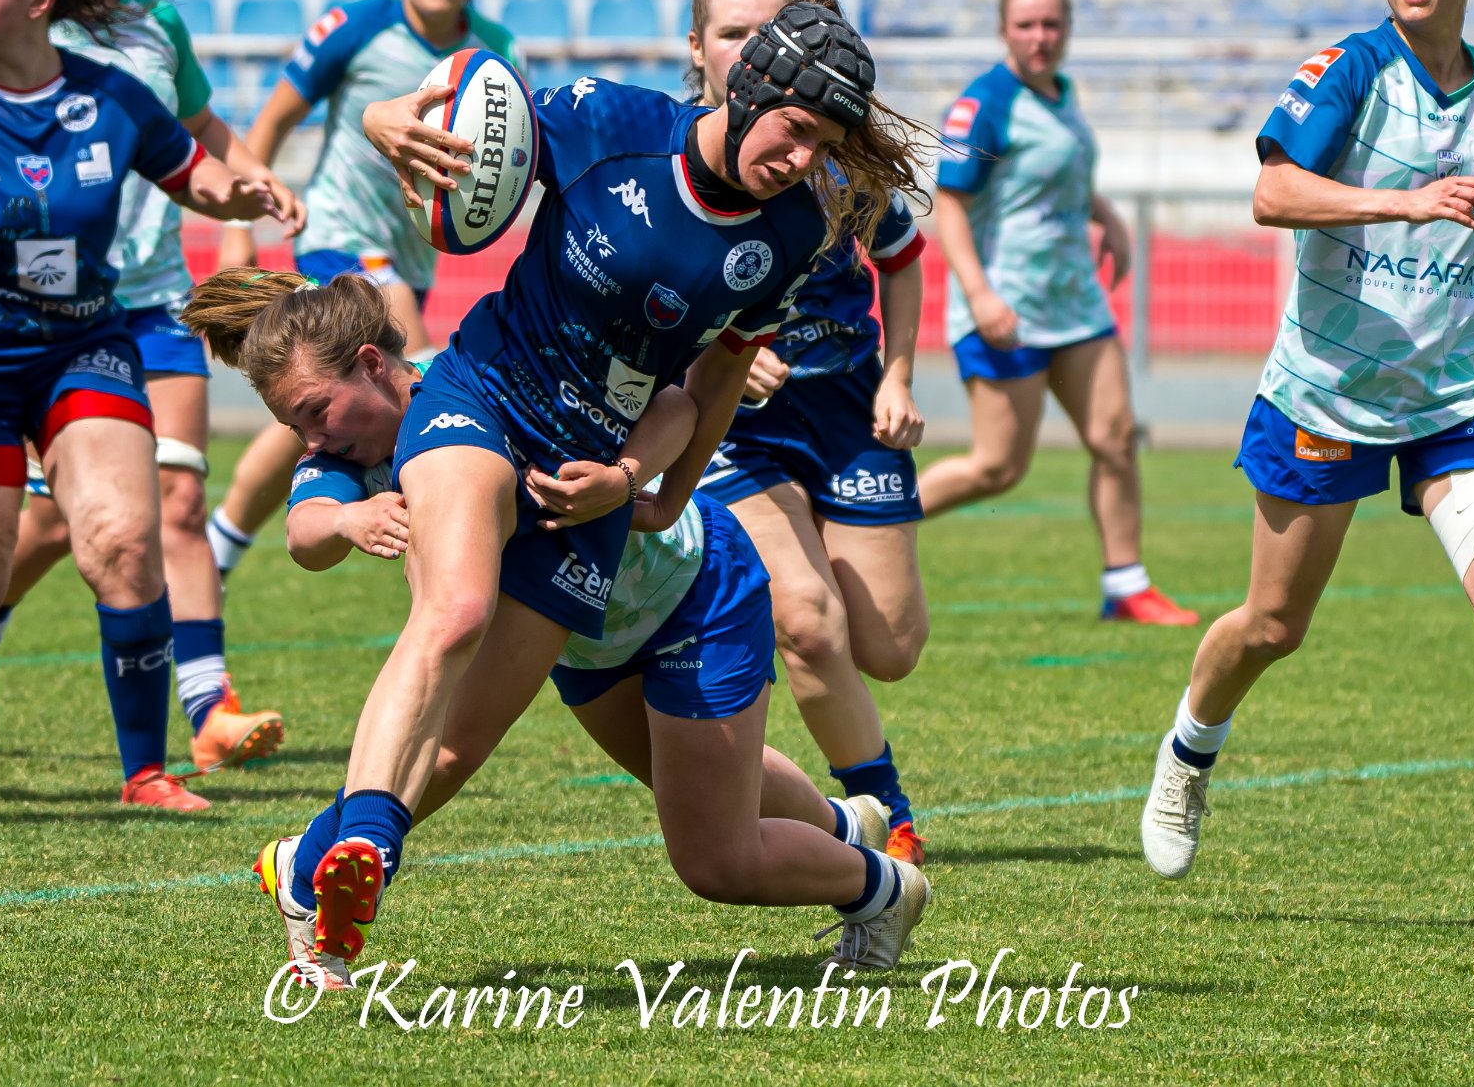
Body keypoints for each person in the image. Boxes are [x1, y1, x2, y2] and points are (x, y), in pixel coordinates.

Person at [269, 0, 936, 965]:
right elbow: (459, 126)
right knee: (451, 610)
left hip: (586, 482)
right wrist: (382, 119)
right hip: (484, 395)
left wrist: (641, 481)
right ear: (748, 88)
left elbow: (708, 375)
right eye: (795, 129)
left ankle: (862, 862)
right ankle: (356, 849)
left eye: (823, 143)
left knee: (470, 747)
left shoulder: (792, 231)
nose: (800, 158)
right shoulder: (606, 121)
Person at [175, 270, 925, 981]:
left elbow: (676, 406)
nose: (310, 439)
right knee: (698, 784)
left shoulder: (481, 376)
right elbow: (304, 531)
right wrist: (346, 513)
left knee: (713, 858)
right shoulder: (349, 454)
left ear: (372, 363)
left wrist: (625, 479)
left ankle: (885, 889)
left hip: (695, 590)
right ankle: (843, 823)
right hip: (583, 638)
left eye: (312, 413)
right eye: (293, 424)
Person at [1138, 0, 1474, 939]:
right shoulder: (1346, 71)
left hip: (1458, 393)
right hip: (1328, 389)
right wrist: (1401, 200)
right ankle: (1185, 750)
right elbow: (1269, 190)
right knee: (1270, 624)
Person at [0, 0, 290, 811]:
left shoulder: (114, 97)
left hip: (83, 348)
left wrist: (245, 191)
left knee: (124, 540)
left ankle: (145, 770)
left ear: (38, 1)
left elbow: (194, 176)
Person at [686, 0, 935, 864]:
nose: (749, 51)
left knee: (892, 645)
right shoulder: (675, 151)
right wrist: (720, 358)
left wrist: (897, 376)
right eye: (731, 36)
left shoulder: (836, 157)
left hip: (845, 407)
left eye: (766, 33)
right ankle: (883, 815)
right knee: (807, 617)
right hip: (739, 426)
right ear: (700, 51)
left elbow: (903, 257)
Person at [206, 0, 520, 585]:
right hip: (340, 229)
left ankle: (229, 535)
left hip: (414, 248)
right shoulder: (359, 24)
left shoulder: (494, 52)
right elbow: (273, 119)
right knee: (412, 369)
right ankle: (435, 528)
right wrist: (239, 225)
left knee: (328, 402)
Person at [918, 0, 1197, 626]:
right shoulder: (983, 103)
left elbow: (1061, 176)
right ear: (1003, 31)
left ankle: (1127, 584)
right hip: (1006, 309)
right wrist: (980, 294)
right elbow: (950, 207)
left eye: (1050, 24)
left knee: (1115, 437)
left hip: (1075, 304)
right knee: (997, 467)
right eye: (1025, 25)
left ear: (1066, 28)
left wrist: (1110, 218)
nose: (1039, 37)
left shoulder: (1064, 96)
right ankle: (864, 520)